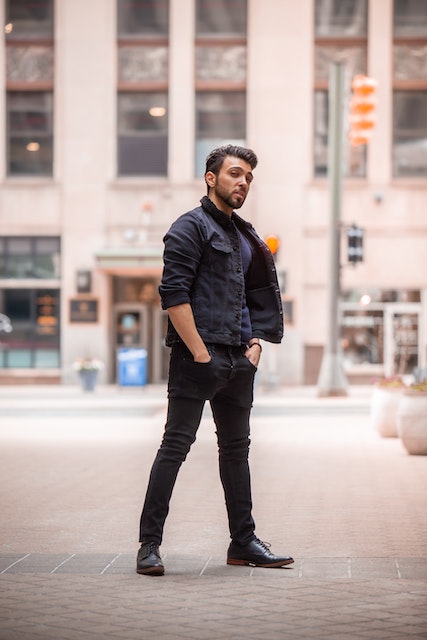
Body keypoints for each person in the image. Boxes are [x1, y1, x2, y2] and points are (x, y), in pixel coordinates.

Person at [136, 144, 294, 576]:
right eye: (235, 174)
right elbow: (173, 295)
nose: (243, 182)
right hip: (197, 358)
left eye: (248, 178)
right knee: (175, 448)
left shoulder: (246, 235)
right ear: (211, 178)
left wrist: (256, 347)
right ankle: (148, 545)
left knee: (236, 452)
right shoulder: (189, 227)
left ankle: (243, 542)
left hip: (239, 361)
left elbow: (255, 297)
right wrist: (202, 355)